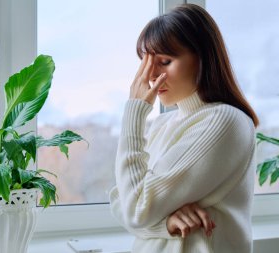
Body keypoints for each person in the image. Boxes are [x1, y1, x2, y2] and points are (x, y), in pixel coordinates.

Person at [109, 3, 258, 253]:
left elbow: (135, 210)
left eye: (165, 61)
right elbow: (121, 203)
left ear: (203, 59)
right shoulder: (162, 124)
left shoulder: (224, 121)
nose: (152, 76)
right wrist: (164, 224)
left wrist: (134, 112)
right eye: (146, 62)